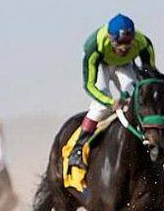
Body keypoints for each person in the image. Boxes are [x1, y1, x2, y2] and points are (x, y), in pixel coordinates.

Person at [66, 14, 157, 170]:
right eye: (119, 42)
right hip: (100, 63)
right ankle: (78, 149)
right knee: (102, 106)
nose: (124, 47)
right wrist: (111, 102)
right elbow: (89, 85)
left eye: (128, 42)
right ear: (109, 37)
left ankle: (147, 140)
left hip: (124, 64)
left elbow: (150, 74)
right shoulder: (93, 46)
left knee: (137, 96)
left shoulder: (143, 43)